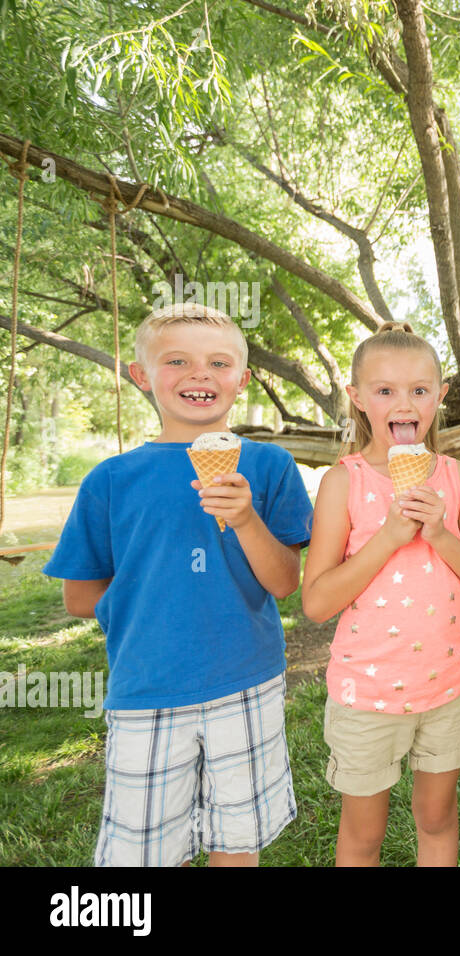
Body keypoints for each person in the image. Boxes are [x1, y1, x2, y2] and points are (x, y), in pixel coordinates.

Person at [44, 302, 314, 866]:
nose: (200, 374)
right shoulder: (110, 481)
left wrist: (243, 520)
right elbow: (79, 597)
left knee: (235, 841)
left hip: (247, 681)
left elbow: (285, 582)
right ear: (141, 375)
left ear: (241, 379)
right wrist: (158, 602)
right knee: (145, 853)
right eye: (177, 361)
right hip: (147, 692)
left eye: (219, 362)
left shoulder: (268, 467)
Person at [301, 322, 460, 867]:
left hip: (444, 689)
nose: (403, 402)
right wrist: (389, 536)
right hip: (367, 696)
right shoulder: (343, 482)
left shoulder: (456, 478)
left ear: (438, 396)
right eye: (385, 390)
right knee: (364, 836)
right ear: (358, 398)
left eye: (419, 389)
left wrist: (439, 534)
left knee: (437, 819)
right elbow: (316, 602)